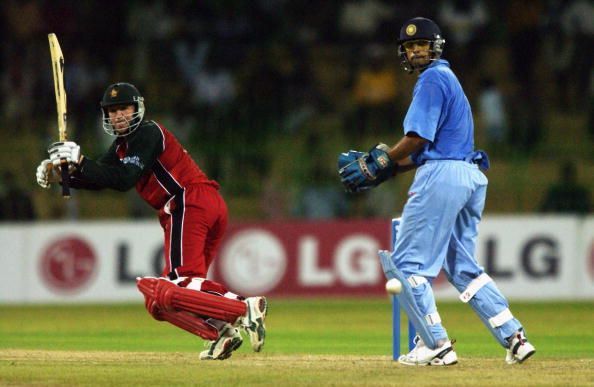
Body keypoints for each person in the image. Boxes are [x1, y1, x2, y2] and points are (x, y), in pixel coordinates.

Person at [338, 17, 535, 366]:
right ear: (404, 52)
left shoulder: (431, 79)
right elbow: (432, 147)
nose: (416, 51)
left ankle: (435, 344)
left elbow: (417, 139)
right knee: (461, 266)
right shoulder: (450, 79)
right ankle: (514, 336)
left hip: (442, 177)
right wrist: (392, 168)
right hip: (469, 176)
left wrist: (378, 160)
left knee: (407, 265)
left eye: (421, 45)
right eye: (410, 47)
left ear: (435, 47)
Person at [35, 82, 267, 360]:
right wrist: (64, 176)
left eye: (124, 108)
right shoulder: (122, 146)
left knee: (176, 285)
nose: (118, 115)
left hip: (188, 201)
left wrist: (80, 160)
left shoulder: (147, 132)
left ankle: (244, 307)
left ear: (137, 108)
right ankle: (222, 331)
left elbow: (123, 180)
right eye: (112, 111)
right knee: (163, 301)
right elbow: (103, 178)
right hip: (202, 204)